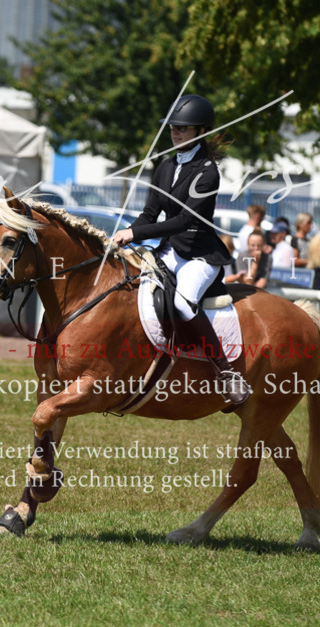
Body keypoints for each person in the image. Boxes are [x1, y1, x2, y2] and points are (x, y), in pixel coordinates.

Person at [112, 94, 250, 407]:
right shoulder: (164, 167)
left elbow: (184, 220)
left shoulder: (207, 172)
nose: (176, 133)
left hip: (199, 255)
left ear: (200, 131)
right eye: (173, 128)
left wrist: (137, 232)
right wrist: (125, 237)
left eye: (183, 129)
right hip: (170, 250)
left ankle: (226, 373)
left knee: (183, 305)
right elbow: (149, 214)